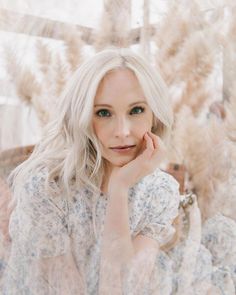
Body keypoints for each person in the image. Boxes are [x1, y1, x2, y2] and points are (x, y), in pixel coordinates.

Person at [0, 48, 180, 294]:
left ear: (155, 115)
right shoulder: (46, 187)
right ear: (82, 117)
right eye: (103, 113)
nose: (123, 131)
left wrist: (119, 189)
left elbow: (123, 288)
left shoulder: (159, 190)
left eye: (136, 110)